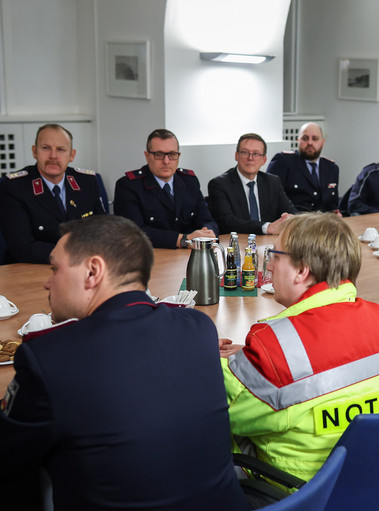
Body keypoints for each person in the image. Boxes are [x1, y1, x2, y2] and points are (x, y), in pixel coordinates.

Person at [0, 215, 247, 511]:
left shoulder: (49, 356)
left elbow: (9, 457)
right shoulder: (198, 327)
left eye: (55, 268)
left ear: (93, 271)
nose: (46, 282)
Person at [219, 213, 379, 481]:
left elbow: (216, 407)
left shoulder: (275, 347)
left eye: (275, 255)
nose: (269, 266)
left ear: (302, 270)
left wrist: (198, 353)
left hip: (297, 493)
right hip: (370, 481)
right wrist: (253, 362)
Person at [0, 124, 106, 264]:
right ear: (34, 151)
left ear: (72, 155)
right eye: (45, 148)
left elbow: (103, 232)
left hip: (82, 265)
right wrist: (76, 254)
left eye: (61, 149)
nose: (53, 156)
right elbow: (22, 247)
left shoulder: (87, 182)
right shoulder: (14, 187)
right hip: (31, 267)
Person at [114, 129, 218, 249]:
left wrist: (208, 234)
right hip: (150, 256)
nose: (166, 161)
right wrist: (183, 240)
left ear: (179, 156)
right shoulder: (128, 186)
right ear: (147, 156)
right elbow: (133, 232)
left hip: (188, 255)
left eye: (172, 154)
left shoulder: (189, 181)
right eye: (159, 154)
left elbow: (207, 220)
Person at [208, 133, 296, 234]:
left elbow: (290, 210)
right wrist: (267, 227)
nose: (250, 158)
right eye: (245, 152)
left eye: (256, 154)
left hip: (268, 243)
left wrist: (289, 218)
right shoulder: (219, 185)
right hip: (237, 243)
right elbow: (227, 222)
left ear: (264, 160)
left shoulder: (272, 182)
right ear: (236, 155)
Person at [266, 122, 340, 212]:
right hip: (293, 221)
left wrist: (335, 214)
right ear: (298, 141)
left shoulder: (331, 168)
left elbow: (332, 203)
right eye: (305, 138)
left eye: (315, 139)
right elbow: (273, 199)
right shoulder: (283, 161)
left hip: (322, 223)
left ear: (322, 142)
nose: (309, 142)